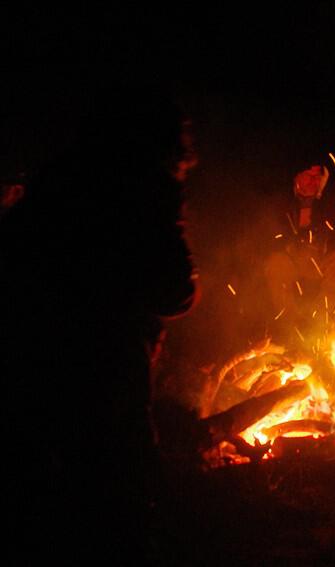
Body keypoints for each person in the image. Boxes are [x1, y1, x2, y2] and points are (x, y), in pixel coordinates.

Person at [0, 86, 198, 560]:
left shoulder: (54, 181)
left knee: (43, 490)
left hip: (25, 359)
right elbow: (174, 291)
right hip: (100, 363)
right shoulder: (148, 190)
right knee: (115, 494)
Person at [263, 149, 335, 328]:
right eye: (308, 176)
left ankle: (323, 323)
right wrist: (293, 248)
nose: (314, 181)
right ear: (297, 177)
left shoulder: (330, 202)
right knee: (275, 263)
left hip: (321, 261)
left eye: (317, 176)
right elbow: (272, 238)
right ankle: (292, 325)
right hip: (293, 261)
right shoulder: (283, 202)